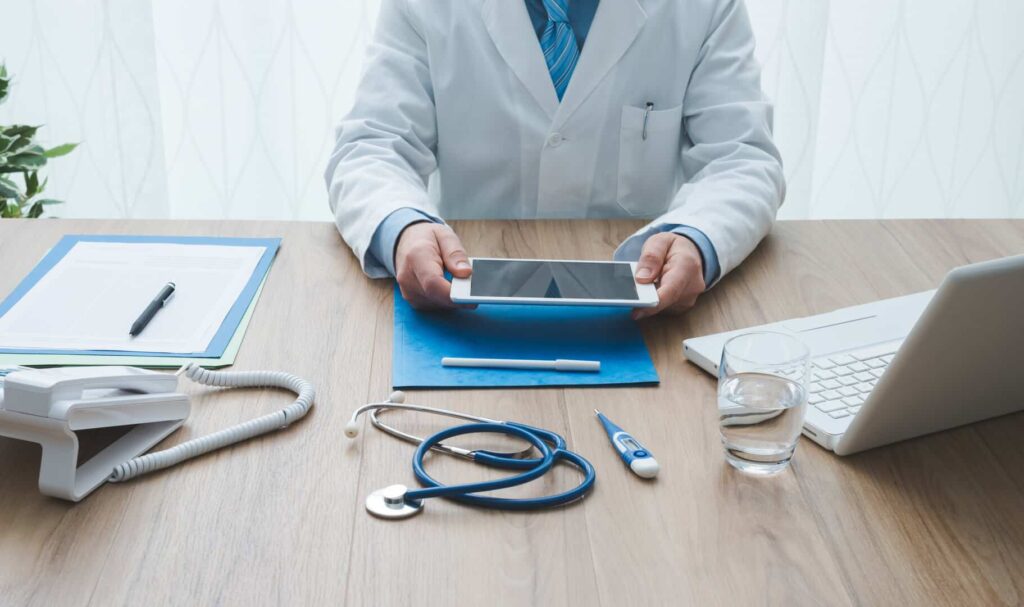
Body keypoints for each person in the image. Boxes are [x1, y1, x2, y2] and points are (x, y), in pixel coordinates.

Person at [326, 0, 783, 319]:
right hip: (465, 299)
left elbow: (742, 157)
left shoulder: (704, 7)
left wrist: (697, 238)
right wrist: (403, 226)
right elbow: (372, 145)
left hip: (641, 306)